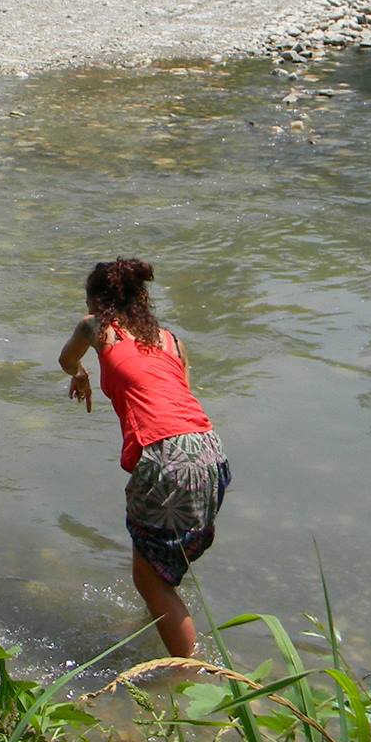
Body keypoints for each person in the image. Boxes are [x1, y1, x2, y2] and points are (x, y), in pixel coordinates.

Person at [57, 259, 230, 660]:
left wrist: (79, 374)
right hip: (208, 448)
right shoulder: (172, 342)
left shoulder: (95, 327)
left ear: (97, 303)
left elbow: (67, 359)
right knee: (165, 561)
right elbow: (180, 396)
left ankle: (186, 672)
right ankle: (156, 624)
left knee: (147, 578)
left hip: (164, 454)